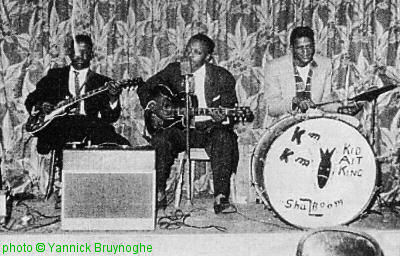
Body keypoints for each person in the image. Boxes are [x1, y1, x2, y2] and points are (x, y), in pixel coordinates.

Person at [137, 33, 239, 214]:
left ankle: (221, 197)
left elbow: (230, 112)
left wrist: (222, 117)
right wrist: (155, 108)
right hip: (179, 130)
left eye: (197, 52)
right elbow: (145, 88)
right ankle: (159, 192)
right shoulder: (174, 70)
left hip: (209, 128)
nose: (190, 55)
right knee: (160, 140)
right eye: (188, 50)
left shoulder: (222, 76)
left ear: (208, 57)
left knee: (224, 137)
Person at [25, 34, 131, 155]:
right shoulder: (55, 76)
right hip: (58, 127)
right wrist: (41, 105)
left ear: (91, 54)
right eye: (76, 51)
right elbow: (31, 100)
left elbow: (111, 117)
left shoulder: (102, 82)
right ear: (69, 53)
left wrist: (113, 97)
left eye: (85, 51)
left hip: (89, 128)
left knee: (123, 146)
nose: (80, 55)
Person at [263, 26, 359, 126]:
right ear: (291, 48)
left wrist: (340, 109)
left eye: (309, 46)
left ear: (314, 45)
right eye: (300, 48)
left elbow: (325, 101)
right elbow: (271, 107)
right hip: (285, 126)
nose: (306, 52)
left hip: (315, 125)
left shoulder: (324, 64)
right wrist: (293, 103)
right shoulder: (274, 67)